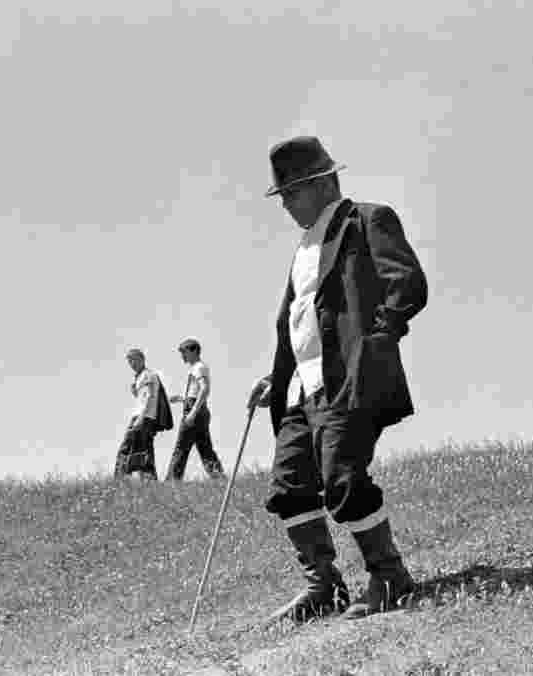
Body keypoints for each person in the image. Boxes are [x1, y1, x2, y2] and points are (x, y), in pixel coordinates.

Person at [247, 135, 428, 622]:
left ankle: (390, 577)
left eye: (292, 192)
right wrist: (276, 377)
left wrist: (376, 340)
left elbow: (407, 282)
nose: (285, 203)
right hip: (301, 388)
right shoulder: (304, 247)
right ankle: (323, 586)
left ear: (324, 182)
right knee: (289, 486)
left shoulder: (367, 219)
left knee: (342, 479)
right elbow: (302, 319)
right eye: (282, 194)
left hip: (348, 378)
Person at [166, 337, 225, 479]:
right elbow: (197, 392)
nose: (182, 355)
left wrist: (192, 413)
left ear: (193, 351)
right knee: (205, 449)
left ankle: (172, 481)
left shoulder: (199, 367)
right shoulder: (196, 368)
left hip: (195, 410)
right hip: (197, 409)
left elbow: (205, 389)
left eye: (184, 352)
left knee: (181, 448)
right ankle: (219, 478)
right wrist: (182, 399)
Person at [114, 348, 172, 480]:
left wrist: (140, 417)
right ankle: (150, 478)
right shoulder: (140, 376)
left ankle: (119, 479)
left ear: (142, 359)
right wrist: (135, 392)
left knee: (126, 448)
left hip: (143, 416)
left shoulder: (148, 375)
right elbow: (143, 397)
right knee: (145, 449)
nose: (132, 364)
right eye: (129, 361)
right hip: (145, 416)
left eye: (134, 360)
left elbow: (150, 397)